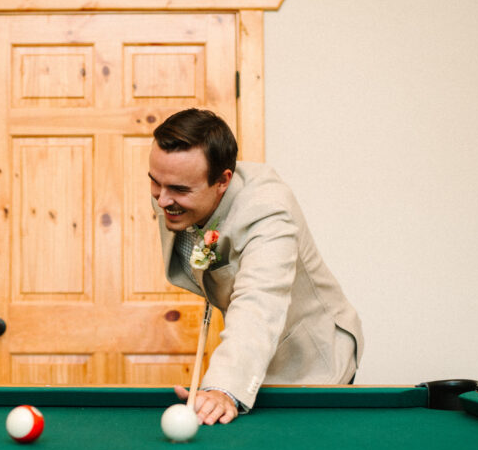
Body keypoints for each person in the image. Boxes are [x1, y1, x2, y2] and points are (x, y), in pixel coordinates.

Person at [149, 108, 363, 425]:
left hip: (312, 361)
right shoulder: (173, 189)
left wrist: (224, 386)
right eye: (155, 182)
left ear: (222, 182)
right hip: (250, 360)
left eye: (179, 190)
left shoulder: (269, 210)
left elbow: (260, 300)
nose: (162, 200)